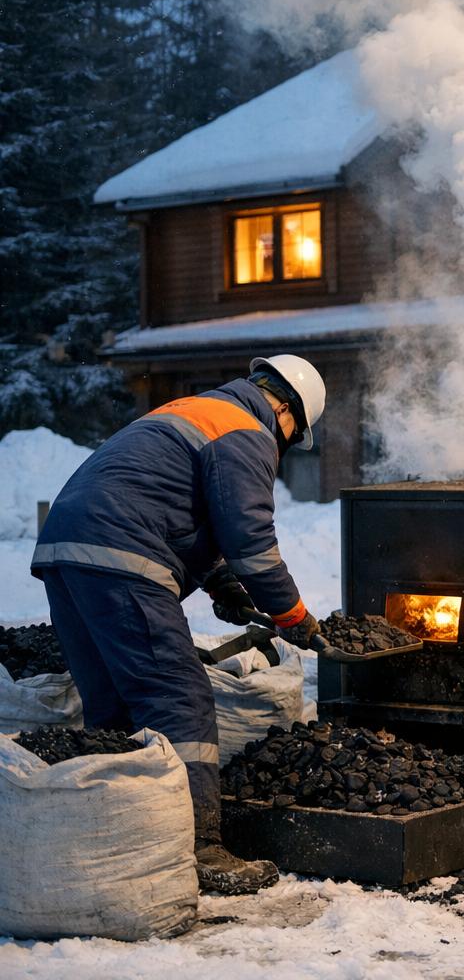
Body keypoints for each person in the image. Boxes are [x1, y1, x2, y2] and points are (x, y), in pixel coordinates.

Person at [31, 355, 328, 894]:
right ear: (287, 412)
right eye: (293, 435)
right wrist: (293, 617)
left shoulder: (197, 410)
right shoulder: (247, 429)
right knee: (180, 697)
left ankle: (123, 837)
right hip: (121, 554)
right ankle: (200, 848)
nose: (284, 446)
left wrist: (223, 586)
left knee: (115, 706)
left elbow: (174, 506)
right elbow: (251, 541)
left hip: (65, 549)